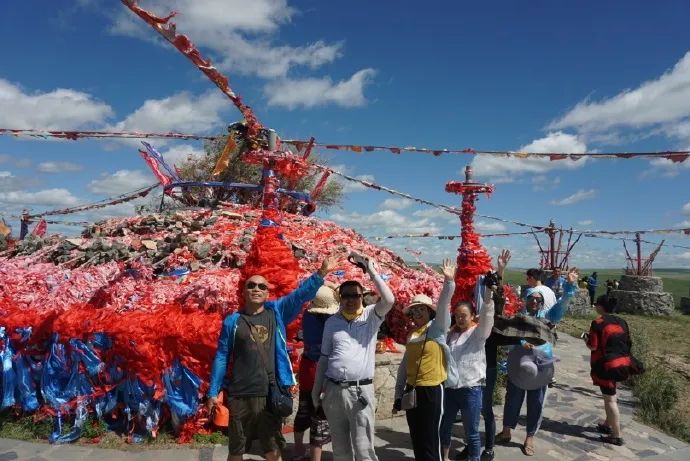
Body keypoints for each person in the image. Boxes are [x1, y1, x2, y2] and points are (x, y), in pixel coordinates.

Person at [207, 255, 339, 461]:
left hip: (270, 392)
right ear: (244, 291)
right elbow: (222, 356)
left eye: (262, 286)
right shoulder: (233, 321)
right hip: (240, 394)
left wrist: (321, 273)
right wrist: (213, 390)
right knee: (236, 449)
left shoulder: (276, 312)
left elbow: (300, 295)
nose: (257, 289)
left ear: (268, 293)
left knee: (272, 450)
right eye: (252, 285)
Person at [312, 254, 395, 461]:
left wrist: (371, 270)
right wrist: (316, 391)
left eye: (355, 295)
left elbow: (389, 299)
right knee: (340, 449)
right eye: (346, 295)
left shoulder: (370, 316)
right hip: (333, 390)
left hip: (360, 391)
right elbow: (324, 358)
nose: (350, 299)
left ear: (361, 297)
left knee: (363, 448)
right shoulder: (332, 322)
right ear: (340, 298)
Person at [496, 267, 579, 456]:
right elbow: (508, 335)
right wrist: (520, 342)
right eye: (532, 298)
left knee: (536, 402)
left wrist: (570, 285)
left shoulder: (549, 317)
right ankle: (507, 430)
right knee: (512, 399)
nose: (535, 301)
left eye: (538, 299)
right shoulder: (518, 318)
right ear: (526, 300)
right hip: (519, 366)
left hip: (541, 367)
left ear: (542, 302)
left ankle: (530, 437)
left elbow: (563, 303)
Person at [393, 259, 456, 461]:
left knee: (431, 438)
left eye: (421, 309)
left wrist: (449, 282)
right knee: (417, 437)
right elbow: (405, 366)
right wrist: (397, 394)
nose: (417, 313)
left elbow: (445, 304)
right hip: (412, 390)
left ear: (429, 312)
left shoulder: (436, 329)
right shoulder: (412, 335)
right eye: (414, 310)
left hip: (431, 390)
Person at [440, 260, 501, 461]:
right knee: (445, 427)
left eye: (463, 316)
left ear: (472, 316)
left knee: (472, 432)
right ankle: (445, 457)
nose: (459, 319)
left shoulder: (478, 333)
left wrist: (489, 294)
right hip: (451, 389)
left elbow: (487, 315)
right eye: (457, 315)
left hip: (471, 390)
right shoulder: (451, 335)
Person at [584, 295, 640, 446]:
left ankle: (616, 434)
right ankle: (607, 425)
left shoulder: (597, 323)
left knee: (610, 400)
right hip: (623, 364)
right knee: (612, 396)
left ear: (601, 307)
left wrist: (586, 339)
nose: (595, 307)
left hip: (606, 366)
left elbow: (593, 346)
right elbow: (628, 343)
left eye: (596, 305)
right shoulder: (622, 321)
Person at [292, 284, 339, 461]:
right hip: (324, 370)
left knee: (304, 408)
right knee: (319, 415)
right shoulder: (332, 320)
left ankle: (297, 450)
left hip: (307, 368)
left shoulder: (307, 315)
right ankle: (315, 458)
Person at [477, 249, 511, 461]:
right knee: (472, 409)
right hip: (469, 367)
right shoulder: (469, 317)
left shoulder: (494, 324)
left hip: (487, 367)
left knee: (486, 408)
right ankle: (472, 442)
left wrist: (500, 271)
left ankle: (489, 446)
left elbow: (496, 300)